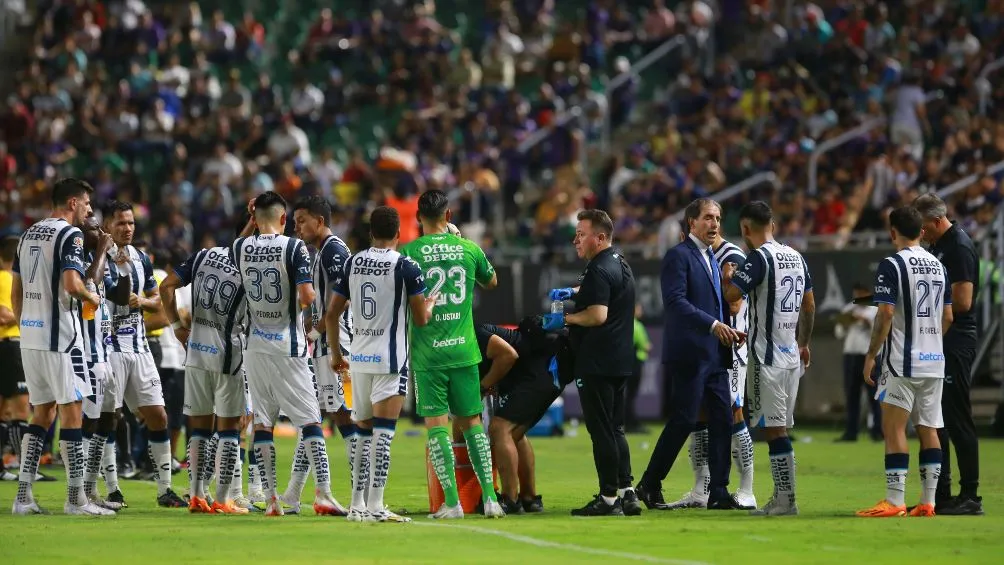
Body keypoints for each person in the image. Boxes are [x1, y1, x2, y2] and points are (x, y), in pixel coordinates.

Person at [230, 191, 343, 517]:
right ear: (283, 219)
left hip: (255, 347)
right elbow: (307, 297)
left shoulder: (240, 247)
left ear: (255, 217)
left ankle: (272, 500)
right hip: (288, 346)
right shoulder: (293, 248)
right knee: (310, 421)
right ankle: (323, 494)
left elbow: (237, 248)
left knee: (262, 424)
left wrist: (251, 223)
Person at [634, 199, 745, 513]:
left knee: (723, 419)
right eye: (708, 218)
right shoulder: (678, 256)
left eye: (718, 218)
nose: (714, 224)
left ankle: (719, 491)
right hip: (689, 354)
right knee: (684, 419)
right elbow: (675, 302)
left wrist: (729, 331)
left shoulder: (710, 257)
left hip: (714, 353)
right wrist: (713, 325)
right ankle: (650, 482)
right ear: (691, 222)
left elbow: (715, 304)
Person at [11, 177, 113, 515]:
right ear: (72, 203)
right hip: (63, 340)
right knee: (72, 412)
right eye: (85, 203)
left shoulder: (27, 235)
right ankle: (75, 500)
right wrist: (91, 295)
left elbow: (17, 290)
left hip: (31, 338)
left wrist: (27, 326)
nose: (88, 210)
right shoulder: (71, 234)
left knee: (42, 413)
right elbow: (72, 284)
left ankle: (23, 498)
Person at [400, 189, 504, 519]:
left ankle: (452, 503)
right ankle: (490, 499)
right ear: (448, 216)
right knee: (472, 423)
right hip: (463, 349)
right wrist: (456, 238)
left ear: (418, 218)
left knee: (437, 426)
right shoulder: (468, 248)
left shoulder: (408, 252)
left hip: (428, 353)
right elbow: (492, 282)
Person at [327, 205, 435, 522]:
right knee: (383, 434)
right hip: (390, 360)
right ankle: (376, 506)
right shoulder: (407, 267)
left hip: (358, 359)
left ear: (371, 233)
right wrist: (428, 304)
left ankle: (357, 504)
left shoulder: (353, 262)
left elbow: (332, 314)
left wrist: (336, 354)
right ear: (399, 234)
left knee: (362, 431)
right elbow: (420, 319)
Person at [856, 206, 952, 517]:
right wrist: (931, 341)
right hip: (934, 360)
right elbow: (948, 316)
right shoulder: (939, 267)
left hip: (902, 361)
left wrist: (871, 355)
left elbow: (884, 313)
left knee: (894, 426)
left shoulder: (892, 264)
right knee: (929, 427)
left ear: (892, 231)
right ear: (922, 231)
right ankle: (928, 502)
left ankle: (895, 501)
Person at [545, 209, 641, 517]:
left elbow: (597, 314)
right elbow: (602, 291)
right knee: (616, 429)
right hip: (620, 359)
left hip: (597, 361)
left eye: (581, 234)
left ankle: (608, 498)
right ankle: (628, 494)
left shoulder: (598, 269)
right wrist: (573, 292)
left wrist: (565, 319)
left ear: (599, 238)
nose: (575, 239)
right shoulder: (619, 263)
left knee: (601, 432)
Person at [724, 200, 815, 516]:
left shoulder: (758, 258)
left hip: (766, 357)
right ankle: (784, 497)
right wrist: (804, 343)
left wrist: (730, 276)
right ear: (773, 226)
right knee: (781, 429)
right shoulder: (797, 257)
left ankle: (785, 500)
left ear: (746, 229)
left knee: (773, 430)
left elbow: (732, 296)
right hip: (791, 355)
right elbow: (810, 306)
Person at [161, 221, 253, 515]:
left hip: (196, 351)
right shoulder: (251, 269)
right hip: (229, 356)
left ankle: (197, 496)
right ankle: (223, 499)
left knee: (199, 429)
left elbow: (166, 287)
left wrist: (177, 327)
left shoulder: (203, 256)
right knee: (229, 429)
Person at [103, 201, 186, 508]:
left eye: (131, 223)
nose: (127, 228)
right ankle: (112, 488)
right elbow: (114, 295)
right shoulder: (99, 258)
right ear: (108, 225)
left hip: (140, 348)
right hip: (109, 348)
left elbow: (157, 301)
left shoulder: (141, 259)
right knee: (109, 418)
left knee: (158, 415)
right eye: (121, 223)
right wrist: (132, 298)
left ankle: (164, 489)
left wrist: (143, 302)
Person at [280, 196, 355, 514]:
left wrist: (315, 332)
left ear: (320, 221)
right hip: (325, 345)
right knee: (315, 417)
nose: (296, 227)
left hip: (335, 345)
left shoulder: (334, 251)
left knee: (344, 416)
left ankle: (362, 495)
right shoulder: (320, 251)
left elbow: (343, 301)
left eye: (301, 221)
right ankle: (293, 494)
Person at [912, 194, 983, 515]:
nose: (920, 232)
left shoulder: (958, 246)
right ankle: (941, 494)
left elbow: (964, 301)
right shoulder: (939, 247)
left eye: (923, 226)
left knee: (956, 418)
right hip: (940, 339)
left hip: (956, 340)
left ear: (937, 220)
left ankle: (971, 496)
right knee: (935, 420)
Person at [478, 317, 574, 515]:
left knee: (500, 428)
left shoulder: (473, 334)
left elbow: (509, 356)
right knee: (515, 433)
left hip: (541, 370)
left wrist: (483, 385)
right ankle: (529, 498)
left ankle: (510, 499)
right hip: (549, 370)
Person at [78, 217, 128, 510]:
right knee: (89, 421)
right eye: (95, 229)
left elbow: (120, 296)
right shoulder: (82, 260)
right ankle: (81, 493)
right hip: (86, 354)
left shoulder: (102, 261)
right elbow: (88, 283)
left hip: (105, 352)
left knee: (109, 417)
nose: (102, 233)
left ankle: (91, 488)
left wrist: (122, 265)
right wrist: (102, 251)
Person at [835, 283, 882, 442]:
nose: (858, 297)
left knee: (874, 395)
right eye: (856, 293)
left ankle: (877, 431)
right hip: (850, 355)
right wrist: (846, 322)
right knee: (851, 395)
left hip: (869, 356)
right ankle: (851, 432)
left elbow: (880, 330)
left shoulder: (876, 308)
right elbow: (839, 332)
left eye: (861, 293)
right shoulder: (849, 308)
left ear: (868, 293)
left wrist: (865, 320)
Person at [0, 236, 29, 482]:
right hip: (12, 346)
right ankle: (25, 467)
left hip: (8, 347)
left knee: (5, 410)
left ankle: (3, 466)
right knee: (20, 407)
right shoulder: (6, 278)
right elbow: (4, 315)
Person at [626, 304, 650, 434]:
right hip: (635, 363)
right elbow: (645, 345)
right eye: (639, 308)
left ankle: (630, 422)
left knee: (628, 395)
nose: (641, 311)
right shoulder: (636, 325)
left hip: (628, 363)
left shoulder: (625, 323)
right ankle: (631, 423)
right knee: (630, 395)